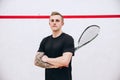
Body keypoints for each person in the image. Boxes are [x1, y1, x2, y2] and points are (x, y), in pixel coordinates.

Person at [36, 11, 75, 80]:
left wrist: (47, 59)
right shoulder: (45, 40)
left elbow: (65, 62)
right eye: (52, 20)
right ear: (49, 23)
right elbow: (37, 61)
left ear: (62, 23)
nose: (54, 22)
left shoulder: (68, 39)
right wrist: (57, 64)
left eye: (57, 20)